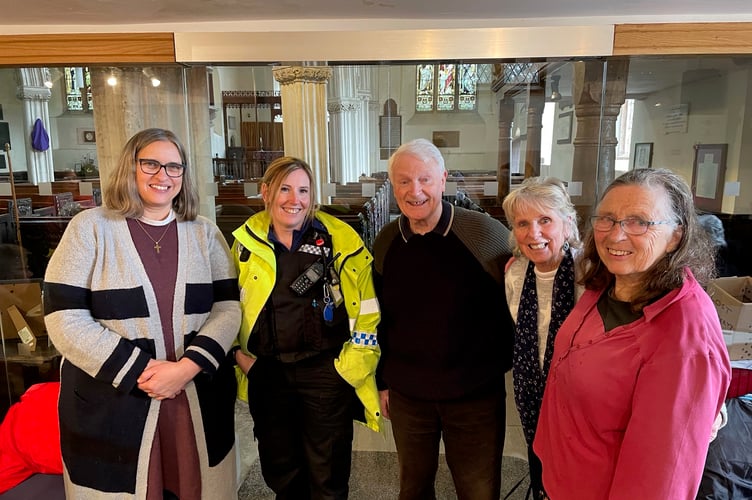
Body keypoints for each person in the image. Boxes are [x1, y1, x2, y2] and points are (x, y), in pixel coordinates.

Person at [43, 127, 242, 499]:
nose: (162, 175)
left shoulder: (204, 233)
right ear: (129, 168)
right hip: (116, 401)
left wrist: (184, 369)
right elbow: (63, 316)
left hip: (191, 395)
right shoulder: (90, 229)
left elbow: (228, 308)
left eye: (173, 167)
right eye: (150, 163)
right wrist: (143, 372)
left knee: (194, 485)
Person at [534, 168, 731, 500]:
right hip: (564, 478)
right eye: (607, 219)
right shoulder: (607, 284)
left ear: (675, 236)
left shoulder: (684, 333)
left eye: (640, 222)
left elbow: (662, 478)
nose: (616, 235)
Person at [373, 138, 514, 500]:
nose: (414, 191)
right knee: (413, 488)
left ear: (443, 180)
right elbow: (383, 318)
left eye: (424, 179)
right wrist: (383, 380)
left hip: (473, 395)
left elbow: (518, 302)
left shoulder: (485, 235)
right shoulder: (387, 241)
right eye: (403, 181)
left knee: (478, 490)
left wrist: (496, 362)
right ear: (392, 186)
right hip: (409, 395)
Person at [232, 156, 381, 499]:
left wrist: (348, 369)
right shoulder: (245, 243)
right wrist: (242, 359)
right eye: (284, 188)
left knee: (327, 476)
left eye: (303, 190)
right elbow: (227, 306)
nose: (293, 199)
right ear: (267, 191)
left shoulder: (339, 240)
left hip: (325, 373)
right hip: (268, 373)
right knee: (281, 473)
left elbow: (368, 313)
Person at [502, 176, 585, 500]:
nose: (533, 233)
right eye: (523, 223)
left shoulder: (590, 272)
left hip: (578, 397)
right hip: (531, 390)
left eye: (545, 220)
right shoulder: (515, 273)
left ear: (567, 224)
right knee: (541, 466)